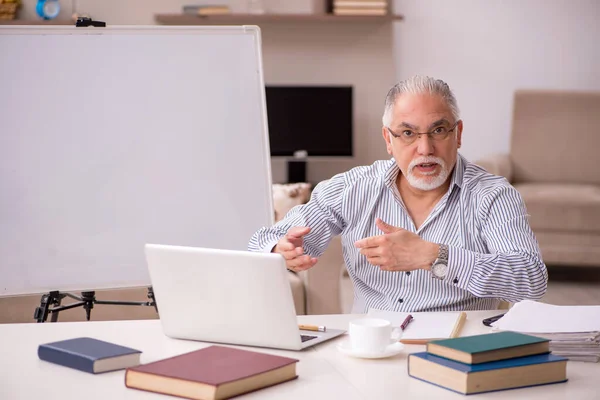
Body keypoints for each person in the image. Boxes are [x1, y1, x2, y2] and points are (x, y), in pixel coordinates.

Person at [249, 75, 548, 313]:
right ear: (388, 140)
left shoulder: (493, 195)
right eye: (407, 133)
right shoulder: (353, 187)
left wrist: (434, 256)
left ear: (457, 134)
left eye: (438, 130)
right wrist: (281, 249)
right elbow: (262, 241)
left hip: (457, 347)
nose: (425, 149)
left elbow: (531, 279)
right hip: (373, 347)